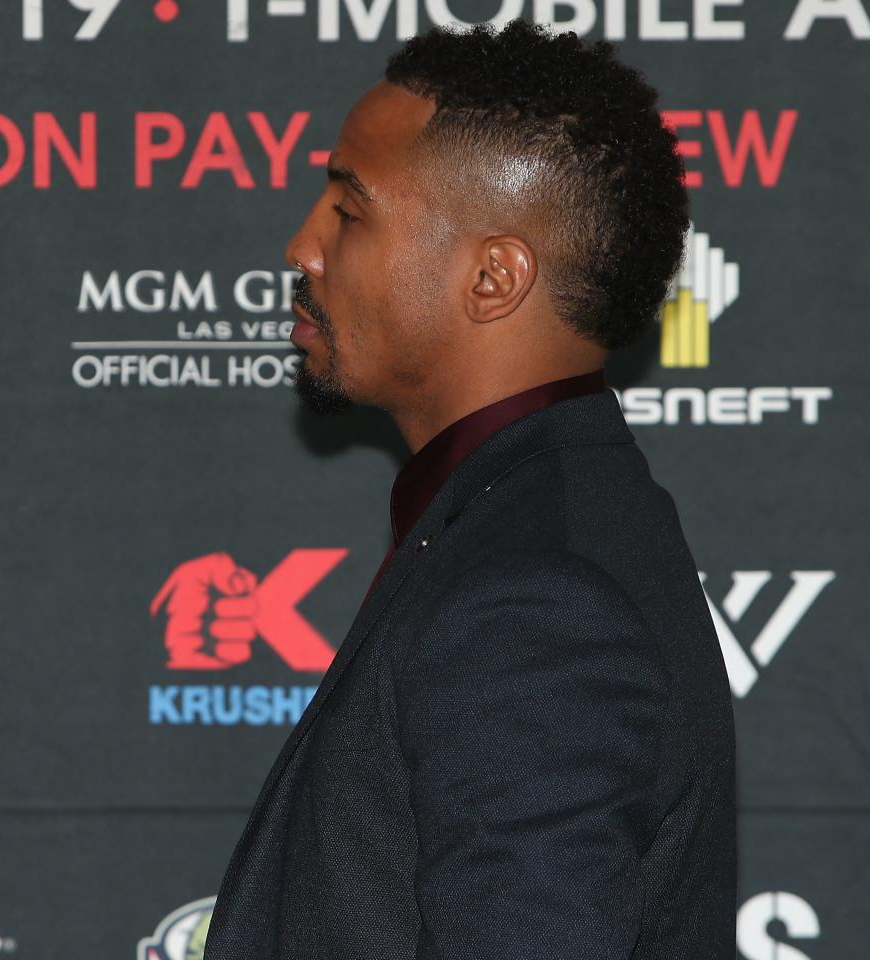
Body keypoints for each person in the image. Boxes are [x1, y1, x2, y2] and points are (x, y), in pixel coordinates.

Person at [205, 22, 736, 960]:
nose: (302, 247)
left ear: (493, 277)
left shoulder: (534, 596)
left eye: (348, 210)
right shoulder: (534, 524)